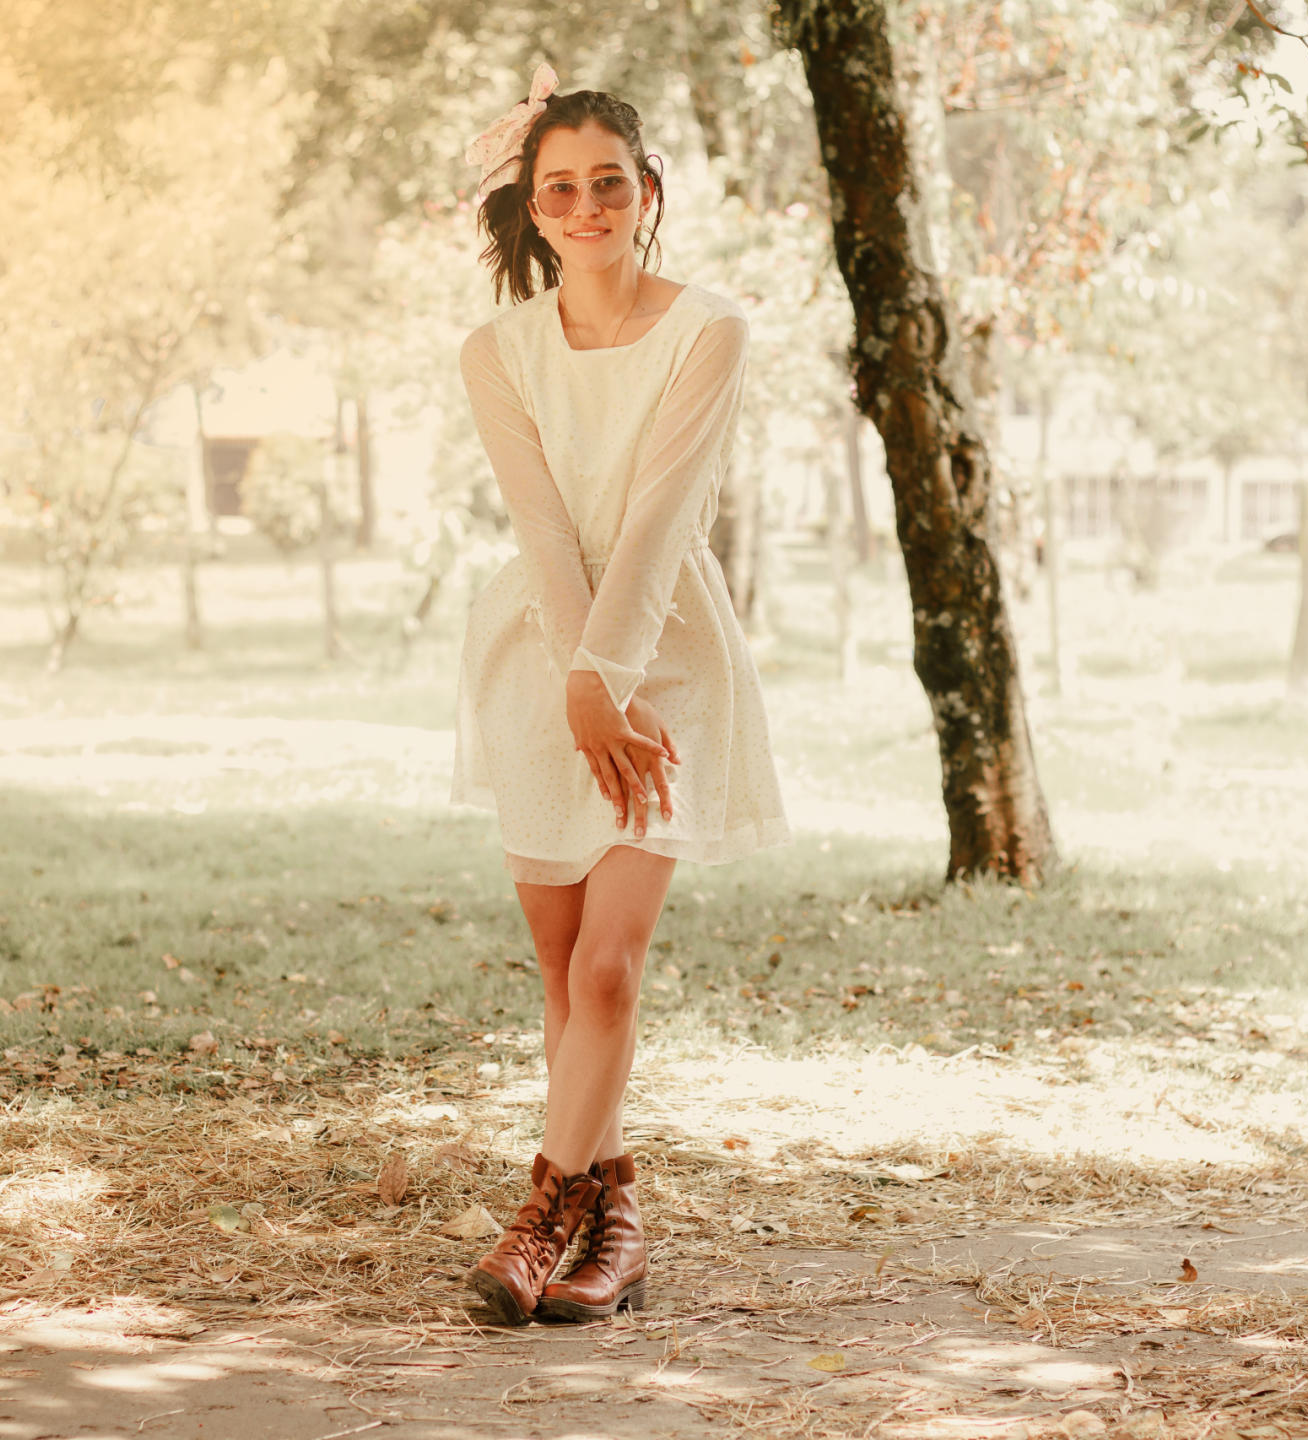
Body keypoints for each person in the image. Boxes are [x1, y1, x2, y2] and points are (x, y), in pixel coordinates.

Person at [450, 63, 791, 1325]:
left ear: (647, 191)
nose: (587, 207)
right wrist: (572, 679)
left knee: (607, 970)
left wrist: (610, 679)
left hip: (667, 657)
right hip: (536, 654)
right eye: (561, 189)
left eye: (609, 184)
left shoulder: (710, 329)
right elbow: (546, 527)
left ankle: (539, 1217)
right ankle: (619, 1226)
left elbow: (656, 520)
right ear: (532, 207)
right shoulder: (497, 351)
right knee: (560, 976)